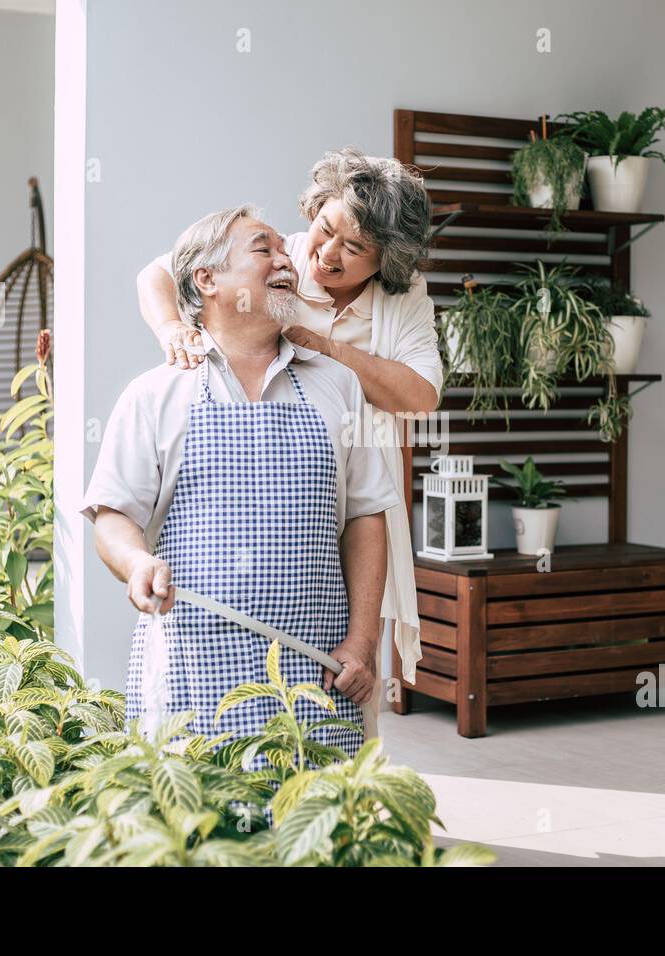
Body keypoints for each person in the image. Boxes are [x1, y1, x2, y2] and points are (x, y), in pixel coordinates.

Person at [82, 205, 398, 762]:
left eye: (284, 251)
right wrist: (137, 565)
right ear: (207, 280)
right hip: (192, 677)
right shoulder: (153, 394)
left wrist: (364, 639)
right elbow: (113, 518)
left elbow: (366, 518)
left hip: (317, 677)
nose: (288, 262)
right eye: (263, 249)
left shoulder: (340, 387)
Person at [136, 149, 440, 692]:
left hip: (346, 490)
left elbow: (418, 398)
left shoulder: (403, 299)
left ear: (387, 261)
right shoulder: (278, 258)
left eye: (355, 248)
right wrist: (169, 330)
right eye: (326, 229)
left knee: (348, 668)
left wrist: (324, 351)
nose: (326, 255)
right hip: (244, 504)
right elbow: (158, 273)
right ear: (316, 208)